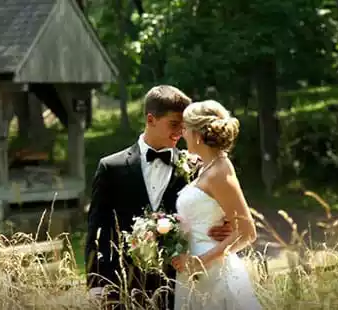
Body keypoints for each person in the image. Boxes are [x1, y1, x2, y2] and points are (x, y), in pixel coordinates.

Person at [84, 86, 234, 309]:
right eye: (174, 124)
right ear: (151, 119)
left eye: (184, 126)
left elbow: (228, 209)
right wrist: (97, 284)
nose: (180, 132)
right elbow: (98, 228)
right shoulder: (110, 167)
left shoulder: (195, 167)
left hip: (182, 284)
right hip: (126, 284)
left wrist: (227, 226)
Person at [171, 100, 262, 310]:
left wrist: (199, 262)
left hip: (214, 273)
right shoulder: (205, 167)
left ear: (198, 135)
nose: (182, 133)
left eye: (186, 128)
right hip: (194, 274)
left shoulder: (220, 169)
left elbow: (247, 232)